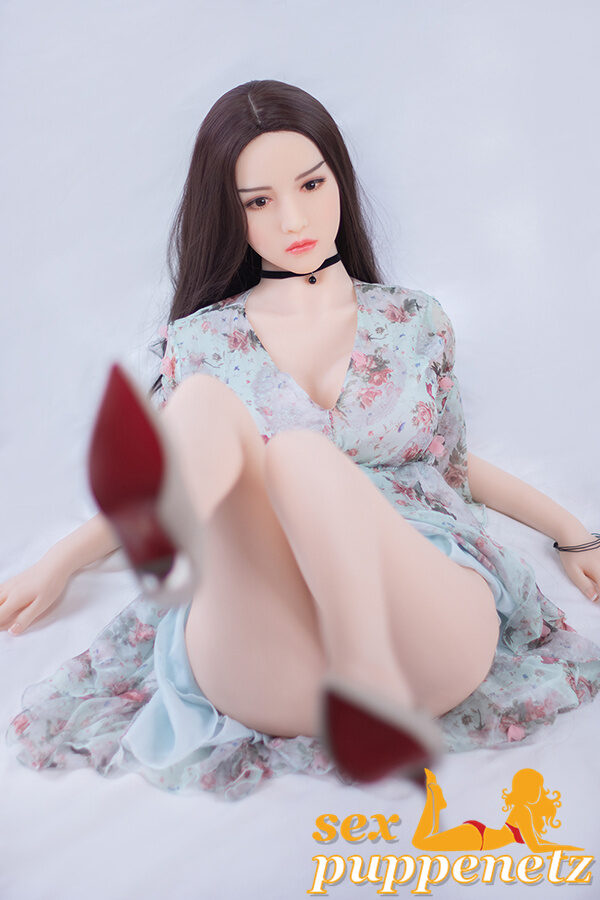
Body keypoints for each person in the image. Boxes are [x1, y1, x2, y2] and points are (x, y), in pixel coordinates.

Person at [3, 80, 600, 801]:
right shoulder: (198, 341)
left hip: (416, 620)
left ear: (338, 180)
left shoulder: (414, 321)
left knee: (299, 455)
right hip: (268, 642)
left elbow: (451, 465)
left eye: (311, 185)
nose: (294, 219)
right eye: (258, 202)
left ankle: (366, 673)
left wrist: (571, 530)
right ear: (229, 214)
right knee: (205, 409)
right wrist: (60, 562)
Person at [412, 767, 584, 853]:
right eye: (534, 788)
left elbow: (538, 842)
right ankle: (433, 797)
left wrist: (561, 846)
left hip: (479, 836)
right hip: (478, 838)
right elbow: (535, 847)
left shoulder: (526, 810)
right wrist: (566, 847)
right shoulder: (522, 811)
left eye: (538, 787)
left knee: (427, 840)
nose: (538, 791)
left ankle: (435, 800)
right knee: (421, 843)